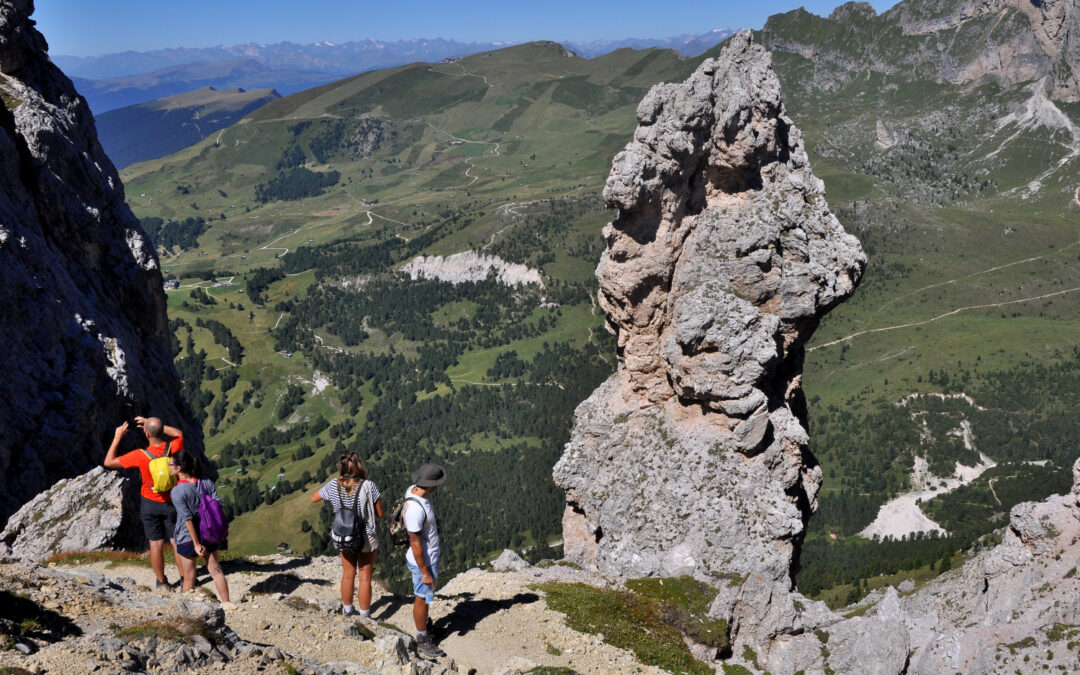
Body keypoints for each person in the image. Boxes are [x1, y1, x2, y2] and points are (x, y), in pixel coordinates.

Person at [104, 416, 183, 589]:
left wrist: (118, 436)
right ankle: (186, 578)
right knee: (177, 541)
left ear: (146, 433)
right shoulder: (172, 448)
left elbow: (108, 461)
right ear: (161, 432)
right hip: (172, 501)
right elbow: (178, 434)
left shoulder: (140, 456)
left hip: (150, 503)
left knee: (156, 543)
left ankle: (161, 582)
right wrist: (150, 422)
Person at [311, 451, 384, 617]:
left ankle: (348, 611)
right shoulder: (369, 486)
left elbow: (314, 498)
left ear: (341, 468)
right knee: (365, 577)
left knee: (348, 574)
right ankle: (365, 616)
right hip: (365, 535)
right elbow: (380, 513)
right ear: (359, 467)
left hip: (344, 534)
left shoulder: (333, 485)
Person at [169, 450, 231, 604]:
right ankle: (227, 604)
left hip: (187, 537)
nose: (168, 467)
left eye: (171, 464)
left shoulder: (177, 491)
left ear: (179, 469)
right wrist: (224, 528)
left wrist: (196, 544)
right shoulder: (206, 482)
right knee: (216, 572)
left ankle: (187, 612)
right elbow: (218, 504)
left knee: (189, 577)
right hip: (209, 532)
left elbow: (187, 519)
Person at [403, 462, 447, 659]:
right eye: (436, 483)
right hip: (423, 562)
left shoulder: (413, 491)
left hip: (428, 558)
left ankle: (426, 624)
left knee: (426, 596)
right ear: (429, 485)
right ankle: (422, 638)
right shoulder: (415, 509)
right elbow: (415, 544)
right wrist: (424, 572)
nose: (438, 486)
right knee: (421, 598)